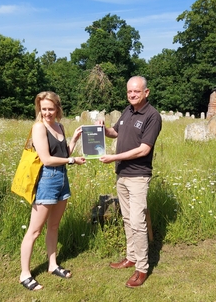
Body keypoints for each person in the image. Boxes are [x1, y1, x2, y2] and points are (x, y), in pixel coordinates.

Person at [98, 76, 162, 288]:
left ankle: (142, 268)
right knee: (127, 219)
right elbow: (115, 133)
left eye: (136, 91)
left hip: (138, 176)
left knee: (137, 222)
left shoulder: (152, 116)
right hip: (122, 175)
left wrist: (114, 158)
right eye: (129, 92)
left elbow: (144, 149)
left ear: (146, 92)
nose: (132, 95)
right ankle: (131, 257)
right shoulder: (127, 111)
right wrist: (102, 129)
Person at [19, 91, 86, 291]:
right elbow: (47, 159)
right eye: (43, 109)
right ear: (39, 108)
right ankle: (25, 274)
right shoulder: (39, 127)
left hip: (62, 178)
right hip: (47, 179)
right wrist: (72, 160)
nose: (47, 112)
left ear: (57, 109)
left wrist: (73, 139)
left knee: (54, 226)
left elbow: (64, 154)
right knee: (35, 230)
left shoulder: (60, 126)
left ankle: (52, 265)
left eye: (51, 108)